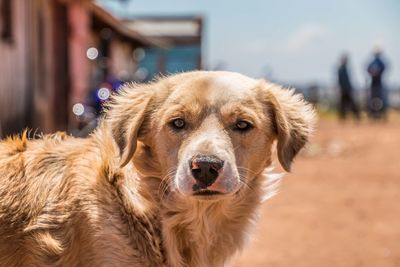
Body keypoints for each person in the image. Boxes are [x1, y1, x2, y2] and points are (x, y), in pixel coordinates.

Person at [337, 53, 360, 121]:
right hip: (344, 90)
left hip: (347, 89)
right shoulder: (341, 69)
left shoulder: (344, 68)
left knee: (349, 104)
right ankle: (343, 117)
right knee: (344, 104)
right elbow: (341, 80)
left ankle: (355, 116)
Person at [367, 47, 387, 120]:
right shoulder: (372, 62)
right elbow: (368, 69)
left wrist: (377, 72)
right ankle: (373, 114)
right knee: (372, 99)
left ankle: (380, 114)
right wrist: (372, 72)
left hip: (379, 84)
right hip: (373, 84)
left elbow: (384, 68)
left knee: (380, 99)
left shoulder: (380, 62)